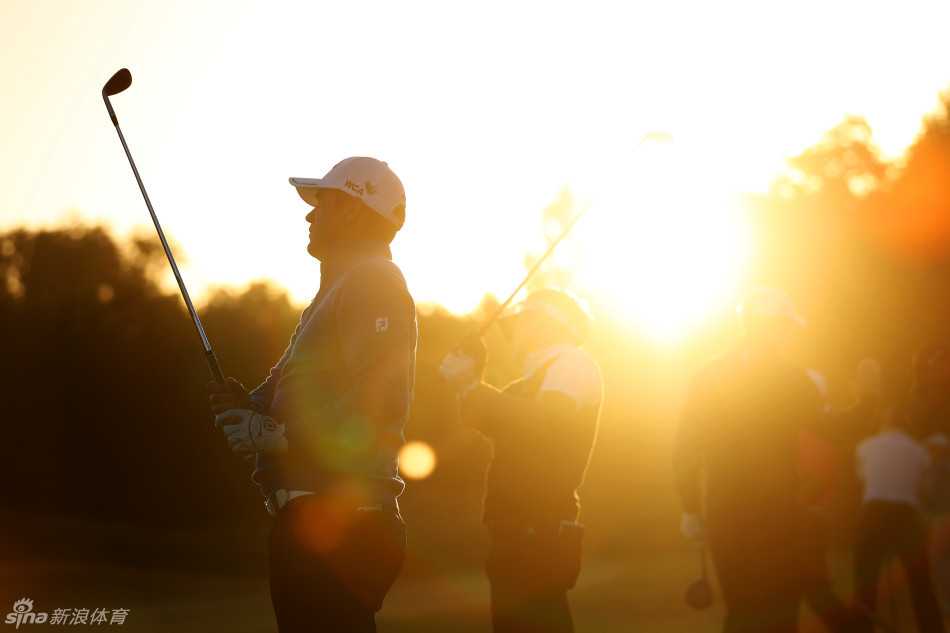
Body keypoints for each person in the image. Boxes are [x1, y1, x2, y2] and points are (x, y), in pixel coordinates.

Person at [207, 157, 417, 633]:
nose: (309, 215)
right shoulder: (334, 293)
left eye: (321, 203)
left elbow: (377, 402)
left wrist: (275, 435)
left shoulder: (375, 282)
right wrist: (249, 405)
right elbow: (288, 387)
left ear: (351, 211)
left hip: (346, 525)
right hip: (311, 522)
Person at [439, 289, 603, 633]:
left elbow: (541, 423)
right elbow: (486, 417)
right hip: (514, 530)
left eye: (525, 321)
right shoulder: (530, 380)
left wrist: (473, 385)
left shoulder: (573, 363)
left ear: (548, 325)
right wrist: (469, 381)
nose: (515, 332)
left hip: (540, 528)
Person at [674, 287, 837, 633]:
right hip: (780, 514)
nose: (786, 335)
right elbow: (827, 432)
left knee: (743, 610)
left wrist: (691, 508)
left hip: (727, 513)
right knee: (777, 612)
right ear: (768, 327)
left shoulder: (709, 376)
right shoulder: (795, 380)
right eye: (783, 327)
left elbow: (686, 446)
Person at [853, 383, 946, 633]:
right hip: (905, 515)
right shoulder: (918, 451)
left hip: (873, 512)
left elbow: (863, 481)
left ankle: (863, 627)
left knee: (865, 580)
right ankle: (932, 628)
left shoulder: (865, 447)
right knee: (920, 583)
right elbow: (924, 490)